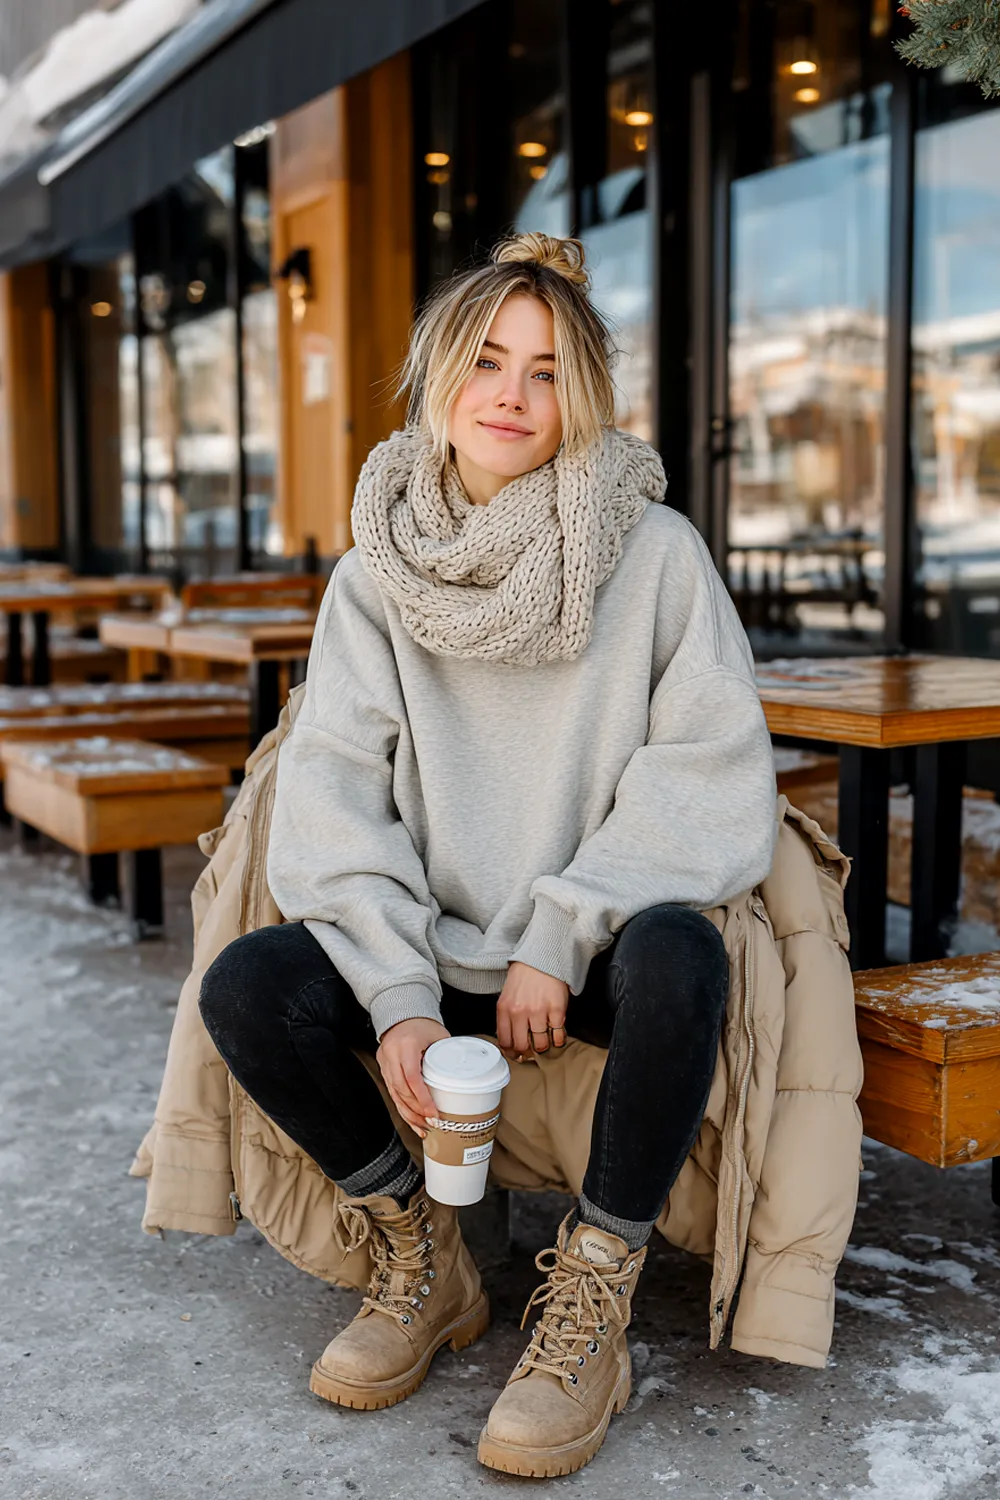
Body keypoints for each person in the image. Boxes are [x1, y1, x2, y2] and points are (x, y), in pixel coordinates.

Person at [198, 231, 778, 1478]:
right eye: (487, 361)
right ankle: (425, 1256)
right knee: (249, 985)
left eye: (549, 369)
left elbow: (705, 771)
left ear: (587, 396)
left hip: (589, 947)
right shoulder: (374, 577)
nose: (511, 395)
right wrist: (398, 998)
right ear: (437, 378)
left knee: (683, 955)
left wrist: (564, 933)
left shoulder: (657, 555)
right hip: (435, 943)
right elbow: (339, 801)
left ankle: (594, 1302)